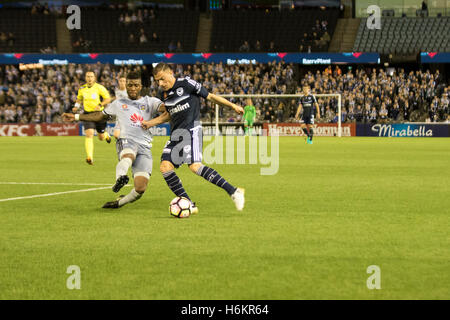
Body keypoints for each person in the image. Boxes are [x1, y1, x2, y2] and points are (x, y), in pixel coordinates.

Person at [63, 72, 168, 209]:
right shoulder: (119, 103)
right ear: (126, 86)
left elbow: (168, 110)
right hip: (127, 140)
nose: (132, 88)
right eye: (130, 85)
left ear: (141, 86)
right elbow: (100, 116)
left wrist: (154, 121)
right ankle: (121, 177)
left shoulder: (150, 102)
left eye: (136, 85)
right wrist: (77, 117)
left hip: (145, 146)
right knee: (128, 156)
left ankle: (118, 203)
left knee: (140, 188)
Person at [149, 63, 245, 212]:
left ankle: (233, 191)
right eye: (157, 81)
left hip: (191, 131)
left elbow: (211, 97)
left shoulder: (187, 84)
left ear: (170, 73)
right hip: (175, 135)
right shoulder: (165, 94)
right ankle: (189, 204)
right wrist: (149, 123)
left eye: (162, 79)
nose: (160, 84)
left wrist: (233, 106)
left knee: (195, 166)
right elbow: (168, 115)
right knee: (165, 167)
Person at [73, 71, 112, 165]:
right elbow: (79, 99)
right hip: (87, 114)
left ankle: (106, 135)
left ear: (94, 78)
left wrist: (100, 104)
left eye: (91, 76)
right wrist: (76, 106)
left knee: (101, 137)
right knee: (89, 134)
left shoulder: (99, 87)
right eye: (88, 76)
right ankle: (89, 157)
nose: (89, 78)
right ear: (85, 78)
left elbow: (108, 99)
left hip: (99, 114)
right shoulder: (82, 88)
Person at [112, 75, 129, 139]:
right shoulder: (116, 91)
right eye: (120, 81)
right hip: (119, 115)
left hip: (129, 115)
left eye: (123, 81)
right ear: (118, 82)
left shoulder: (130, 91)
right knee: (116, 135)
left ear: (126, 82)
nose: (122, 82)